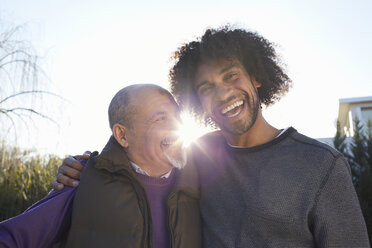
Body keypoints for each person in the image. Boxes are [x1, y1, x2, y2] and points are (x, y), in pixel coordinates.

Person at [56, 26, 370, 247]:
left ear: (256, 77)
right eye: (206, 88)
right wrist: (85, 167)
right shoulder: (195, 157)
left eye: (231, 76)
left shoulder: (321, 166)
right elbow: (138, 160)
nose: (222, 94)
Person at [0, 84, 202, 248]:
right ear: (122, 135)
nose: (176, 125)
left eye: (177, 115)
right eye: (161, 118)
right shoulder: (82, 180)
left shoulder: (202, 179)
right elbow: (12, 237)